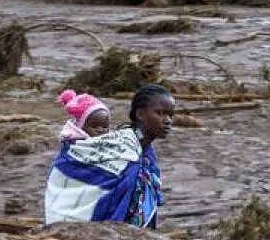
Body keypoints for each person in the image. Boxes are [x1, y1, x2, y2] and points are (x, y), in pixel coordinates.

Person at [44, 83, 174, 229]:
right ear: (140, 114)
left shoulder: (145, 152)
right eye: (161, 113)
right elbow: (69, 167)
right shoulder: (122, 148)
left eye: (170, 115)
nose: (168, 120)